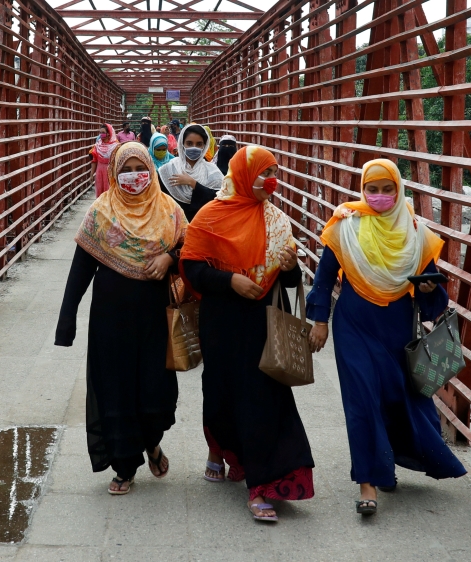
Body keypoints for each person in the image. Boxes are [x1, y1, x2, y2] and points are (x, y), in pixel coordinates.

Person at [306, 158, 466, 516]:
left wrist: (426, 289)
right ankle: (368, 482)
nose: (378, 196)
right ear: (362, 189)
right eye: (371, 189)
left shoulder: (413, 232)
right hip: (354, 326)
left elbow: (434, 297)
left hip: (397, 330)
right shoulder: (345, 225)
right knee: (362, 401)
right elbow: (324, 276)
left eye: (386, 189)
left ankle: (387, 459)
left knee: (395, 398)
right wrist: (319, 321)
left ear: (398, 189)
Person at [181, 145, 314, 523]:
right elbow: (190, 267)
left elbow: (288, 280)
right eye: (263, 173)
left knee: (263, 397)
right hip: (221, 319)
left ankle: (262, 484)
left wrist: (289, 267)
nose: (270, 181)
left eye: (274, 172)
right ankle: (219, 447)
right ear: (242, 175)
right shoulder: (211, 216)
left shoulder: (276, 221)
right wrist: (230, 280)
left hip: (262, 320)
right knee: (220, 391)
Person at [55, 142, 189, 496]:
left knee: (153, 390)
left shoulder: (170, 211)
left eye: (139, 167)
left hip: (155, 320)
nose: (134, 176)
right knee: (115, 389)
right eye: (125, 169)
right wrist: (66, 322)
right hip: (110, 321)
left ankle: (152, 443)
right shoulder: (100, 213)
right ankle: (124, 466)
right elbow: (81, 269)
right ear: (114, 173)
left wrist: (170, 258)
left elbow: (193, 251)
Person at [157, 123, 224, 220]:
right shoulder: (168, 170)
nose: (194, 147)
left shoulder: (212, 171)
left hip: (203, 227)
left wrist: (193, 183)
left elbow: (219, 200)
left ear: (205, 146)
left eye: (199, 144)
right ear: (182, 144)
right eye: (189, 143)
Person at [89, 124, 118, 198]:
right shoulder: (97, 145)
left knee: (110, 192)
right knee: (100, 192)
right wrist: (91, 174)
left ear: (109, 133)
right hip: (99, 172)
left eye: (103, 132)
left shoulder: (116, 146)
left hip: (111, 172)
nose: (101, 134)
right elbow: (94, 161)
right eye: (100, 132)